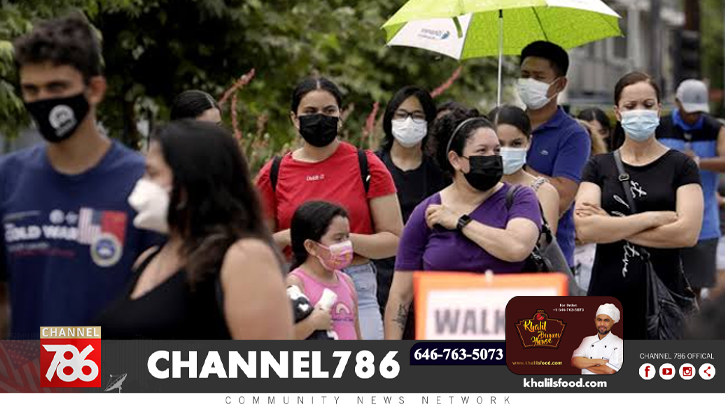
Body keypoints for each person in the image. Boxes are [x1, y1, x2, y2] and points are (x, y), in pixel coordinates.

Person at [0, 14, 160, 339]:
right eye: (31, 89)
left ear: (95, 89)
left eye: (57, 87)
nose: (43, 100)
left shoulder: (144, 183)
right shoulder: (7, 178)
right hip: (25, 379)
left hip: (116, 381)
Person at [98, 120, 293, 339]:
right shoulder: (149, 258)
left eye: (152, 174)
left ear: (191, 180)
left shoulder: (244, 258)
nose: (141, 184)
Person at [255, 77, 403, 340]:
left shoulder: (366, 165)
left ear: (340, 116)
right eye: (310, 112)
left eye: (329, 111)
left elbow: (394, 240)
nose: (320, 118)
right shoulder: (274, 173)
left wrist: (340, 242)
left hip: (356, 283)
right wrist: (294, 237)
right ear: (294, 118)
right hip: (297, 287)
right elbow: (257, 243)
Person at [384, 110, 542, 339]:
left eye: (496, 150)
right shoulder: (426, 212)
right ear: (455, 160)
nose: (493, 157)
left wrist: (460, 222)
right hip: (442, 346)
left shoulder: (520, 198)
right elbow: (400, 296)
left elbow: (517, 248)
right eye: (482, 151)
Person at [574, 71, 703, 339]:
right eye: (630, 107)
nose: (639, 112)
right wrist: (654, 217)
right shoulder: (598, 166)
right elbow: (585, 230)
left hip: (664, 298)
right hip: (607, 300)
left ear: (658, 109)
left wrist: (610, 223)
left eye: (647, 104)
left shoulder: (682, 166)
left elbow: (687, 233)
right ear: (617, 113)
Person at [374, 86, 449, 322]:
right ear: (390, 119)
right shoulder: (371, 166)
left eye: (417, 116)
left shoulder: (442, 173)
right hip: (377, 279)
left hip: (428, 280)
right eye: (402, 114)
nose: (409, 122)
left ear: (428, 122)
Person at [518, 41, 591, 271]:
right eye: (524, 75)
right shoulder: (501, 125)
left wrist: (517, 168)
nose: (530, 82)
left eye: (539, 77)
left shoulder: (574, 135)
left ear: (560, 84)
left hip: (551, 260)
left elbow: (561, 198)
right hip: (501, 254)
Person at [656, 79, 725, 299]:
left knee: (694, 288)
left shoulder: (715, 129)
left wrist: (697, 161)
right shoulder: (661, 126)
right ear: (677, 102)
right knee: (663, 285)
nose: (694, 116)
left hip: (704, 223)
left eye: (698, 111)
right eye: (689, 110)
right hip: (664, 218)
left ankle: (692, 331)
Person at [286, 201, 361, 340]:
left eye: (347, 237)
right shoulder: (295, 282)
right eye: (338, 239)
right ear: (311, 246)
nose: (346, 244)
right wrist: (312, 323)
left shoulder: (347, 281)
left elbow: (356, 332)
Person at [489, 105, 560, 234]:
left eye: (516, 143)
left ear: (529, 142)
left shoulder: (544, 192)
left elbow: (545, 245)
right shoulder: (473, 186)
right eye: (499, 145)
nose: (507, 150)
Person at [571, 303, 623, 374]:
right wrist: (599, 361)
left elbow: (610, 370)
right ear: (595, 320)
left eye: (606, 320)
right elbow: (574, 361)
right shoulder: (587, 340)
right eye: (599, 320)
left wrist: (584, 364)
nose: (602, 324)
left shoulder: (619, 343)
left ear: (612, 322)